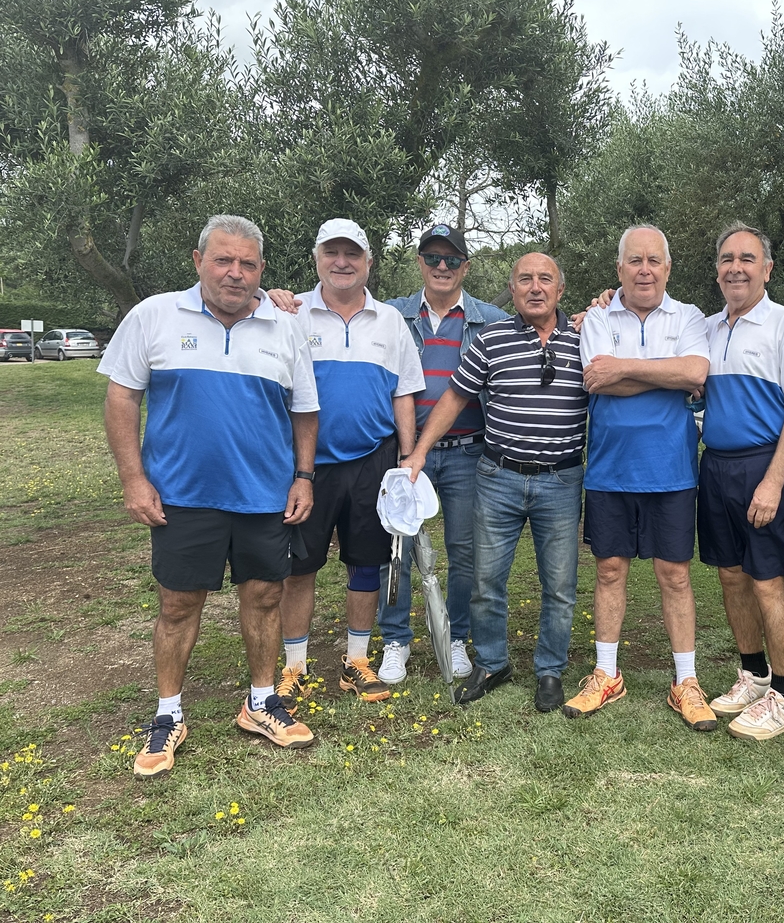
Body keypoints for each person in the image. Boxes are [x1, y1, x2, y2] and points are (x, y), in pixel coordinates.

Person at [100, 214, 319, 778]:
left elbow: (304, 409)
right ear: (198, 261)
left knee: (265, 596)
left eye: (247, 264)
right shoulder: (154, 315)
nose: (234, 273)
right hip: (182, 496)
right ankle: (168, 713)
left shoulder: (284, 327)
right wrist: (133, 479)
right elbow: (122, 397)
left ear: (261, 270)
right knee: (178, 605)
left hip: (264, 494)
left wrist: (303, 476)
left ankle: (261, 702)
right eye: (223, 260)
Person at [402, 253, 586, 711]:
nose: (535, 287)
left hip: (561, 480)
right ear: (513, 288)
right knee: (486, 580)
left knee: (559, 586)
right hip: (498, 477)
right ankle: (491, 662)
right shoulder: (491, 338)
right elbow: (454, 398)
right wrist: (419, 451)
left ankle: (549, 670)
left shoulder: (587, 338)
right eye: (525, 279)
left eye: (545, 279)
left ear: (560, 290)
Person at [564, 225, 714, 730]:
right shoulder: (597, 317)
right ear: (619, 268)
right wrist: (665, 374)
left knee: (675, 575)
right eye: (634, 260)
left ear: (667, 268)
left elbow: (695, 374)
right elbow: (597, 380)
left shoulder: (689, 316)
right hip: (609, 471)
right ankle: (606, 675)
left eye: (653, 260)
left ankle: (686, 681)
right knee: (609, 571)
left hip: (672, 471)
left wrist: (626, 369)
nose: (644, 270)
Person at [275, 220, 423, 707]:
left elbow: (404, 392)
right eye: (332, 252)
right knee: (300, 568)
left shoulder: (390, 321)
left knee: (366, 562)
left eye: (352, 254)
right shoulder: (290, 314)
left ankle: (356, 661)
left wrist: (406, 460)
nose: (342, 262)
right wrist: (263, 296)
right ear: (317, 258)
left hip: (373, 462)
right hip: (306, 466)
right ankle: (294, 667)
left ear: (368, 262)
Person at [697, 222, 784, 741]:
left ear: (767, 269)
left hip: (763, 465)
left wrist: (774, 481)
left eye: (747, 258)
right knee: (731, 576)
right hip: (716, 466)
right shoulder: (706, 328)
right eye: (727, 259)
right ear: (717, 271)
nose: (736, 268)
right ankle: (754, 674)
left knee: (768, 581)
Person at [378, 225, 507, 682]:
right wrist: (275, 299)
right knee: (397, 547)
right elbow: (336, 308)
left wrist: (598, 309)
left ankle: (455, 637)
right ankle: (396, 640)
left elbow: (544, 323)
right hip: (405, 452)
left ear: (465, 268)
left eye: (452, 260)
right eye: (433, 258)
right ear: (420, 263)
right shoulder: (390, 315)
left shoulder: (491, 319)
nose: (442, 267)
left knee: (464, 551)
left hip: (467, 452)